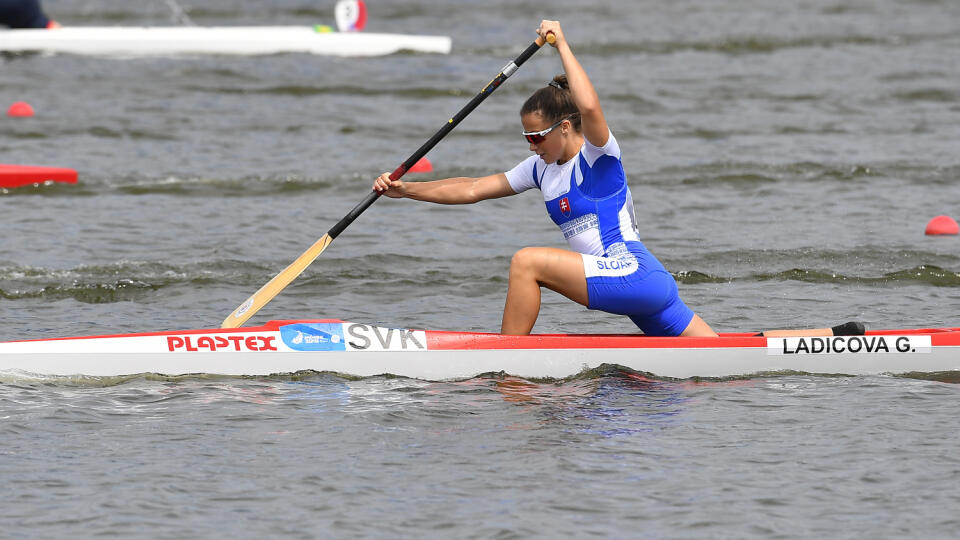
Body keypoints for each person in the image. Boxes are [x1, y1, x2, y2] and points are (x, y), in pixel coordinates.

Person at [373, 20, 862, 339]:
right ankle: (834, 339)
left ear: (563, 128)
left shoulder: (599, 156)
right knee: (722, 358)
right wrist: (404, 190)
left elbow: (590, 106)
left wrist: (561, 44)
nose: (530, 146)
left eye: (537, 136)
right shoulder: (541, 169)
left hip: (630, 273)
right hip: (643, 284)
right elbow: (473, 188)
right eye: (525, 138)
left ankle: (505, 363)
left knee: (526, 263)